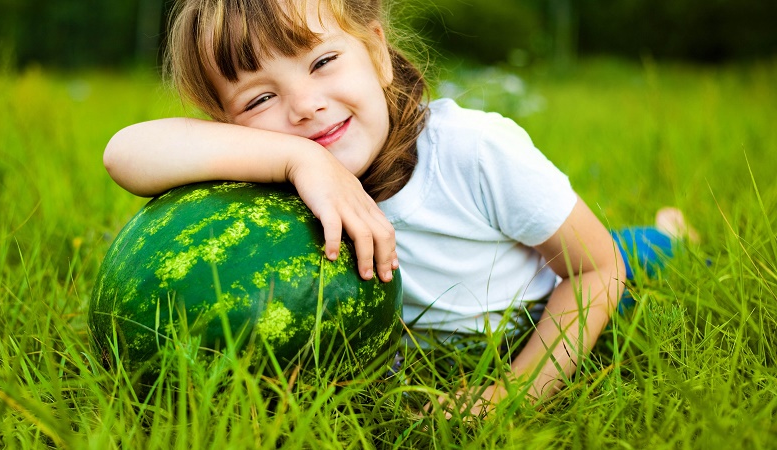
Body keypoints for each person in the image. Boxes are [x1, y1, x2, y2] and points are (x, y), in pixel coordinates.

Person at [104, 0, 685, 412]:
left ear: (376, 53)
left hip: (543, 296)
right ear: (228, 129)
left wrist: (514, 391)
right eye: (259, 98)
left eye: (323, 62)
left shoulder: (473, 152)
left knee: (638, 254)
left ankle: (671, 230)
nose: (305, 106)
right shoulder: (279, 180)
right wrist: (302, 163)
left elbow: (593, 269)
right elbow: (123, 153)